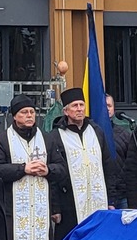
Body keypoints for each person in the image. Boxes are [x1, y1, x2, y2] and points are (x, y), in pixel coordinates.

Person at [0, 99, 61, 240]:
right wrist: (22, 169)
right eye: (24, 112)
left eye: (32, 112)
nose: (29, 116)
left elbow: (61, 168)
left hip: (41, 213)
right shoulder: (4, 138)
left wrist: (48, 170)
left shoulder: (46, 138)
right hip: (15, 213)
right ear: (15, 116)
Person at [46, 89, 114, 231]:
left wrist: (111, 199)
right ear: (66, 111)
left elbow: (108, 166)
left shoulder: (96, 131)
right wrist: (55, 207)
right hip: (69, 203)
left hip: (98, 199)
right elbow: (53, 175)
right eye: (74, 106)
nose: (79, 109)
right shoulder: (55, 136)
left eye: (81, 105)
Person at [102, 94, 137, 209]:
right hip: (101, 193)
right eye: (103, 106)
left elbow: (131, 162)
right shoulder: (92, 134)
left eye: (109, 105)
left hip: (122, 193)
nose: (107, 108)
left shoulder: (124, 134)